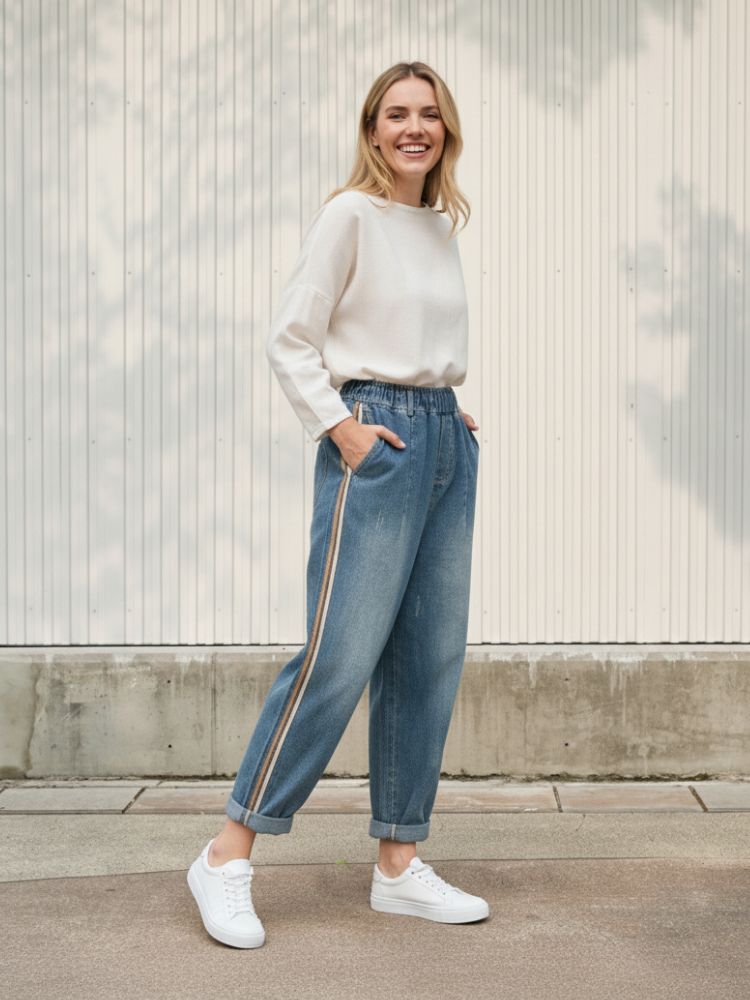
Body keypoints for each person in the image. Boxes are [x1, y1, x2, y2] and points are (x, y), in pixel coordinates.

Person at [187, 60, 487, 949]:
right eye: (396, 114)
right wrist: (343, 427)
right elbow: (291, 338)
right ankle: (226, 854)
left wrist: (442, 409)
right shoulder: (348, 213)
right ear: (370, 130)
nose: (413, 128)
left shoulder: (438, 223)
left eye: (428, 114)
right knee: (338, 655)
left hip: (440, 441)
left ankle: (399, 864)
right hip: (378, 446)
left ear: (446, 131)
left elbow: (413, 337)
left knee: (428, 658)